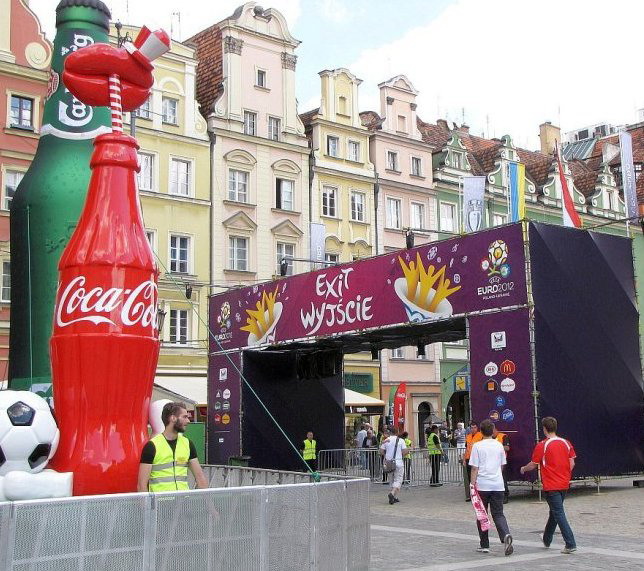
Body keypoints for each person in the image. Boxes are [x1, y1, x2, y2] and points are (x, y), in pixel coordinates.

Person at [520, 416, 577, 554]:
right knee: (554, 512)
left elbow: (534, 464)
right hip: (564, 483)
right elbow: (572, 463)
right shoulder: (566, 443)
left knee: (558, 513)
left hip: (551, 484)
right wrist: (564, 473)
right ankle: (547, 538)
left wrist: (523, 468)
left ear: (544, 429)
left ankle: (570, 543)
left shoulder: (542, 445)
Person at [138, 401, 208, 492]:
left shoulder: (187, 444)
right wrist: (147, 506)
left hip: (182, 502)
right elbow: (141, 485)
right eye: (185, 417)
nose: (188, 421)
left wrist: (210, 505)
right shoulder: (152, 446)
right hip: (160, 504)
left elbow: (200, 478)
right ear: (173, 418)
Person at [469, 419, 514, 556]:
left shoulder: (477, 446)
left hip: (483, 485)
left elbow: (474, 468)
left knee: (482, 514)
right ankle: (505, 535)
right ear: (493, 430)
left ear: (481, 431)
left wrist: (472, 484)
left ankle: (484, 544)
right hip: (497, 484)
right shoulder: (499, 445)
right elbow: (502, 465)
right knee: (498, 513)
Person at [380, 427, 409, 504]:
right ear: (396, 432)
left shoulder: (386, 440)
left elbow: (381, 452)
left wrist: (388, 454)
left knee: (391, 480)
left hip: (389, 462)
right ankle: (392, 493)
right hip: (398, 462)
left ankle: (394, 497)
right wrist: (408, 450)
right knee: (398, 480)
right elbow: (404, 452)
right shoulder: (401, 440)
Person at [462, 421, 482, 500]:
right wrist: (464, 459)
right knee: (470, 478)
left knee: (477, 477)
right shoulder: (468, 436)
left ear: (477, 428)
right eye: (472, 428)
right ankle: (472, 494)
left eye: (475, 427)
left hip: (477, 459)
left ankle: (479, 494)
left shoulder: (481, 436)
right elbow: (467, 449)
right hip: (468, 459)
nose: (473, 429)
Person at [493, 426, 511, 503]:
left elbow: (507, 448)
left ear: (496, 430)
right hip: (492, 461)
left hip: (502, 461)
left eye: (493, 431)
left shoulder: (503, 436)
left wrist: (496, 447)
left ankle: (505, 495)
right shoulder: (489, 438)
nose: (492, 433)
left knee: (503, 478)